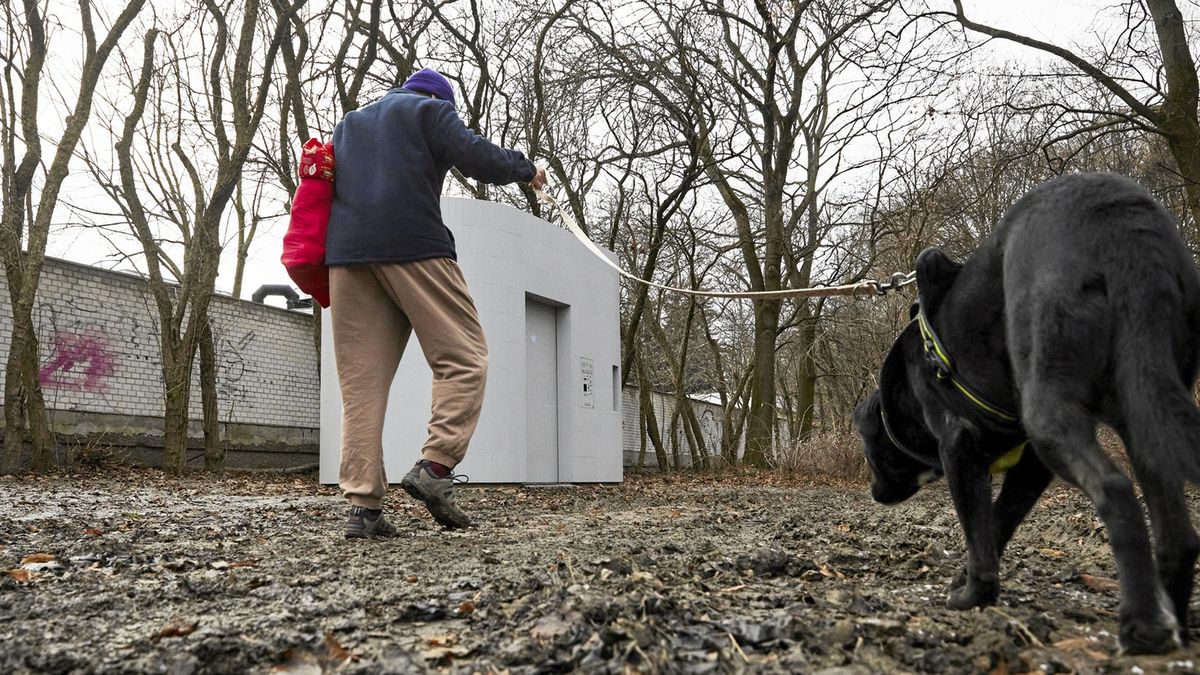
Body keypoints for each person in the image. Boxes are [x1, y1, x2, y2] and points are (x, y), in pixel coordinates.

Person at [327, 67, 547, 538]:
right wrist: (526, 169)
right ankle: (436, 467)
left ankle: (362, 510)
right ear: (439, 98)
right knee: (465, 358)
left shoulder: (351, 122)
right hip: (415, 247)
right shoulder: (431, 110)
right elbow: (476, 156)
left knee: (361, 386)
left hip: (346, 258)